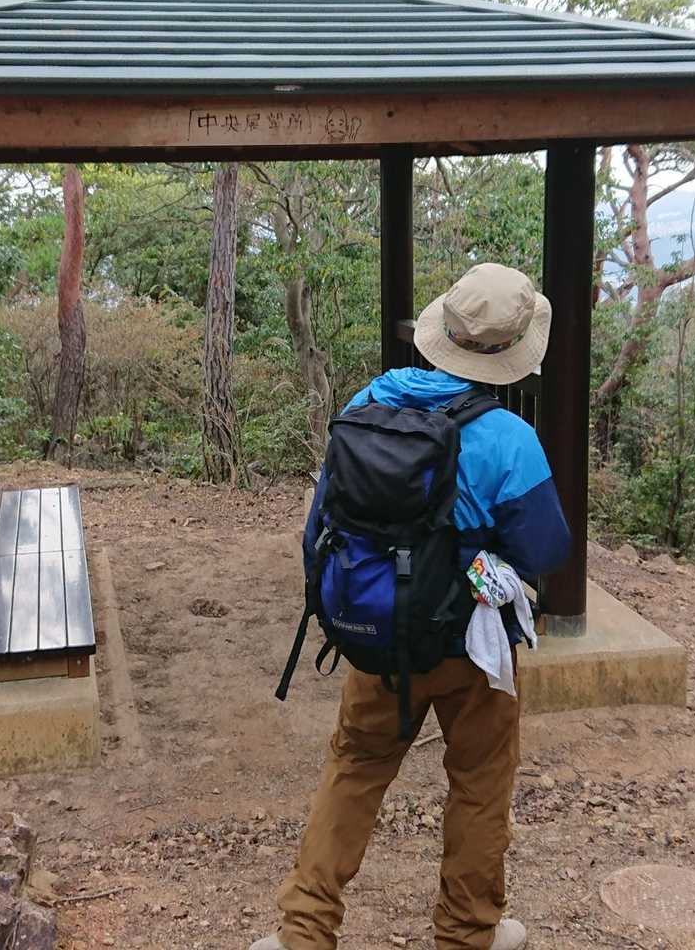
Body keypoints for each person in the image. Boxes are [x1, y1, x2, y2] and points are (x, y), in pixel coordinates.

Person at [253, 263, 572, 950]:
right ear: (512, 352)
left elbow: (320, 526)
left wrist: (350, 606)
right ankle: (466, 933)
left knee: (355, 767)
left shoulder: (369, 401)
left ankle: (303, 932)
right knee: (479, 783)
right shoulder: (510, 439)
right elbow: (545, 548)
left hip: (380, 634)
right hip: (470, 651)